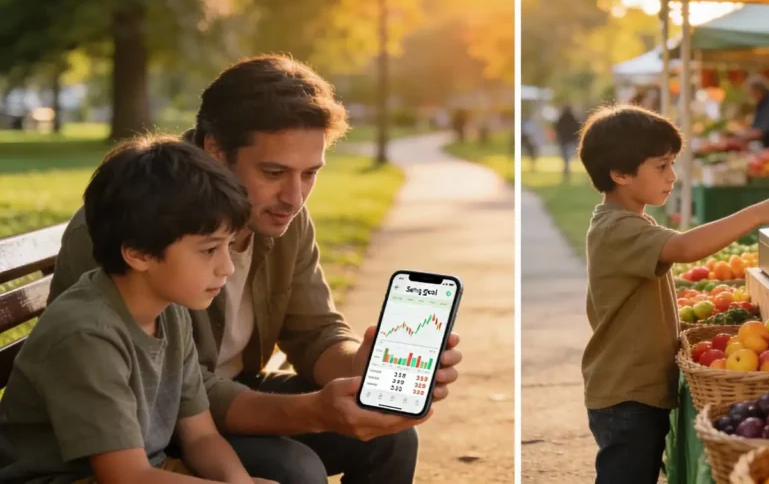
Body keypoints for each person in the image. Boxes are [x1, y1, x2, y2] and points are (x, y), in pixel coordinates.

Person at [47, 55, 463, 483]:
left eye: (310, 174)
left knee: (390, 438)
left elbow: (314, 331)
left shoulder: (283, 217)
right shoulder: (139, 223)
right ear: (215, 149)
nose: (295, 197)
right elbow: (160, 393)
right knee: (295, 469)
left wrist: (365, 368)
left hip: (214, 405)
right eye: (274, 171)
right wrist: (315, 412)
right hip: (143, 423)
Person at [0, 137, 274, 484]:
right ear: (139, 254)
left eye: (228, 246)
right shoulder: (87, 334)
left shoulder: (170, 313)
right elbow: (125, 476)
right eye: (208, 250)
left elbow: (202, 436)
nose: (227, 267)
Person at [576, 104, 769, 483]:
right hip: (626, 395)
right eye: (661, 166)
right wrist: (756, 213)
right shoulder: (615, 229)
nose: (673, 175)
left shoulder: (631, 220)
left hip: (636, 389)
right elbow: (685, 248)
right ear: (620, 174)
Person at [555, 104, 582, 182]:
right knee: (568, 156)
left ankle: (566, 169)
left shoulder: (561, 119)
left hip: (564, 140)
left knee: (565, 157)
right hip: (570, 140)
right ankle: (567, 169)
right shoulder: (573, 118)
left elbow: (557, 128)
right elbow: (577, 129)